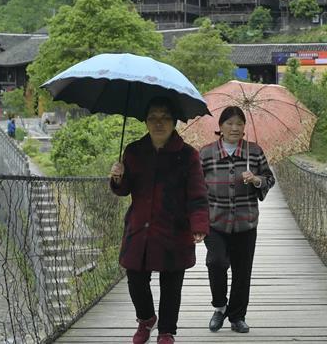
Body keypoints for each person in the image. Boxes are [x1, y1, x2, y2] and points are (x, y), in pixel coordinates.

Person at [109, 97, 209, 344]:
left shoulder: (188, 156)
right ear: (145, 121)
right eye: (153, 117)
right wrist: (118, 178)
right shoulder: (133, 151)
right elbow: (124, 190)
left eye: (165, 117)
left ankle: (166, 331)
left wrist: (198, 225)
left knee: (171, 283)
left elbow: (197, 195)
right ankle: (146, 319)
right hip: (139, 229)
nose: (159, 122)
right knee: (135, 278)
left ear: (174, 121)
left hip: (175, 230)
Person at [199, 106, 275, 334]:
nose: (234, 127)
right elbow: (195, 186)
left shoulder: (254, 152)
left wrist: (256, 180)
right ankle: (220, 307)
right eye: (229, 123)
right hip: (215, 222)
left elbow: (269, 179)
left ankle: (237, 316)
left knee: (243, 272)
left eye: (239, 124)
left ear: (244, 128)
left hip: (245, 223)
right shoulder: (206, 154)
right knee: (216, 262)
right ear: (220, 127)